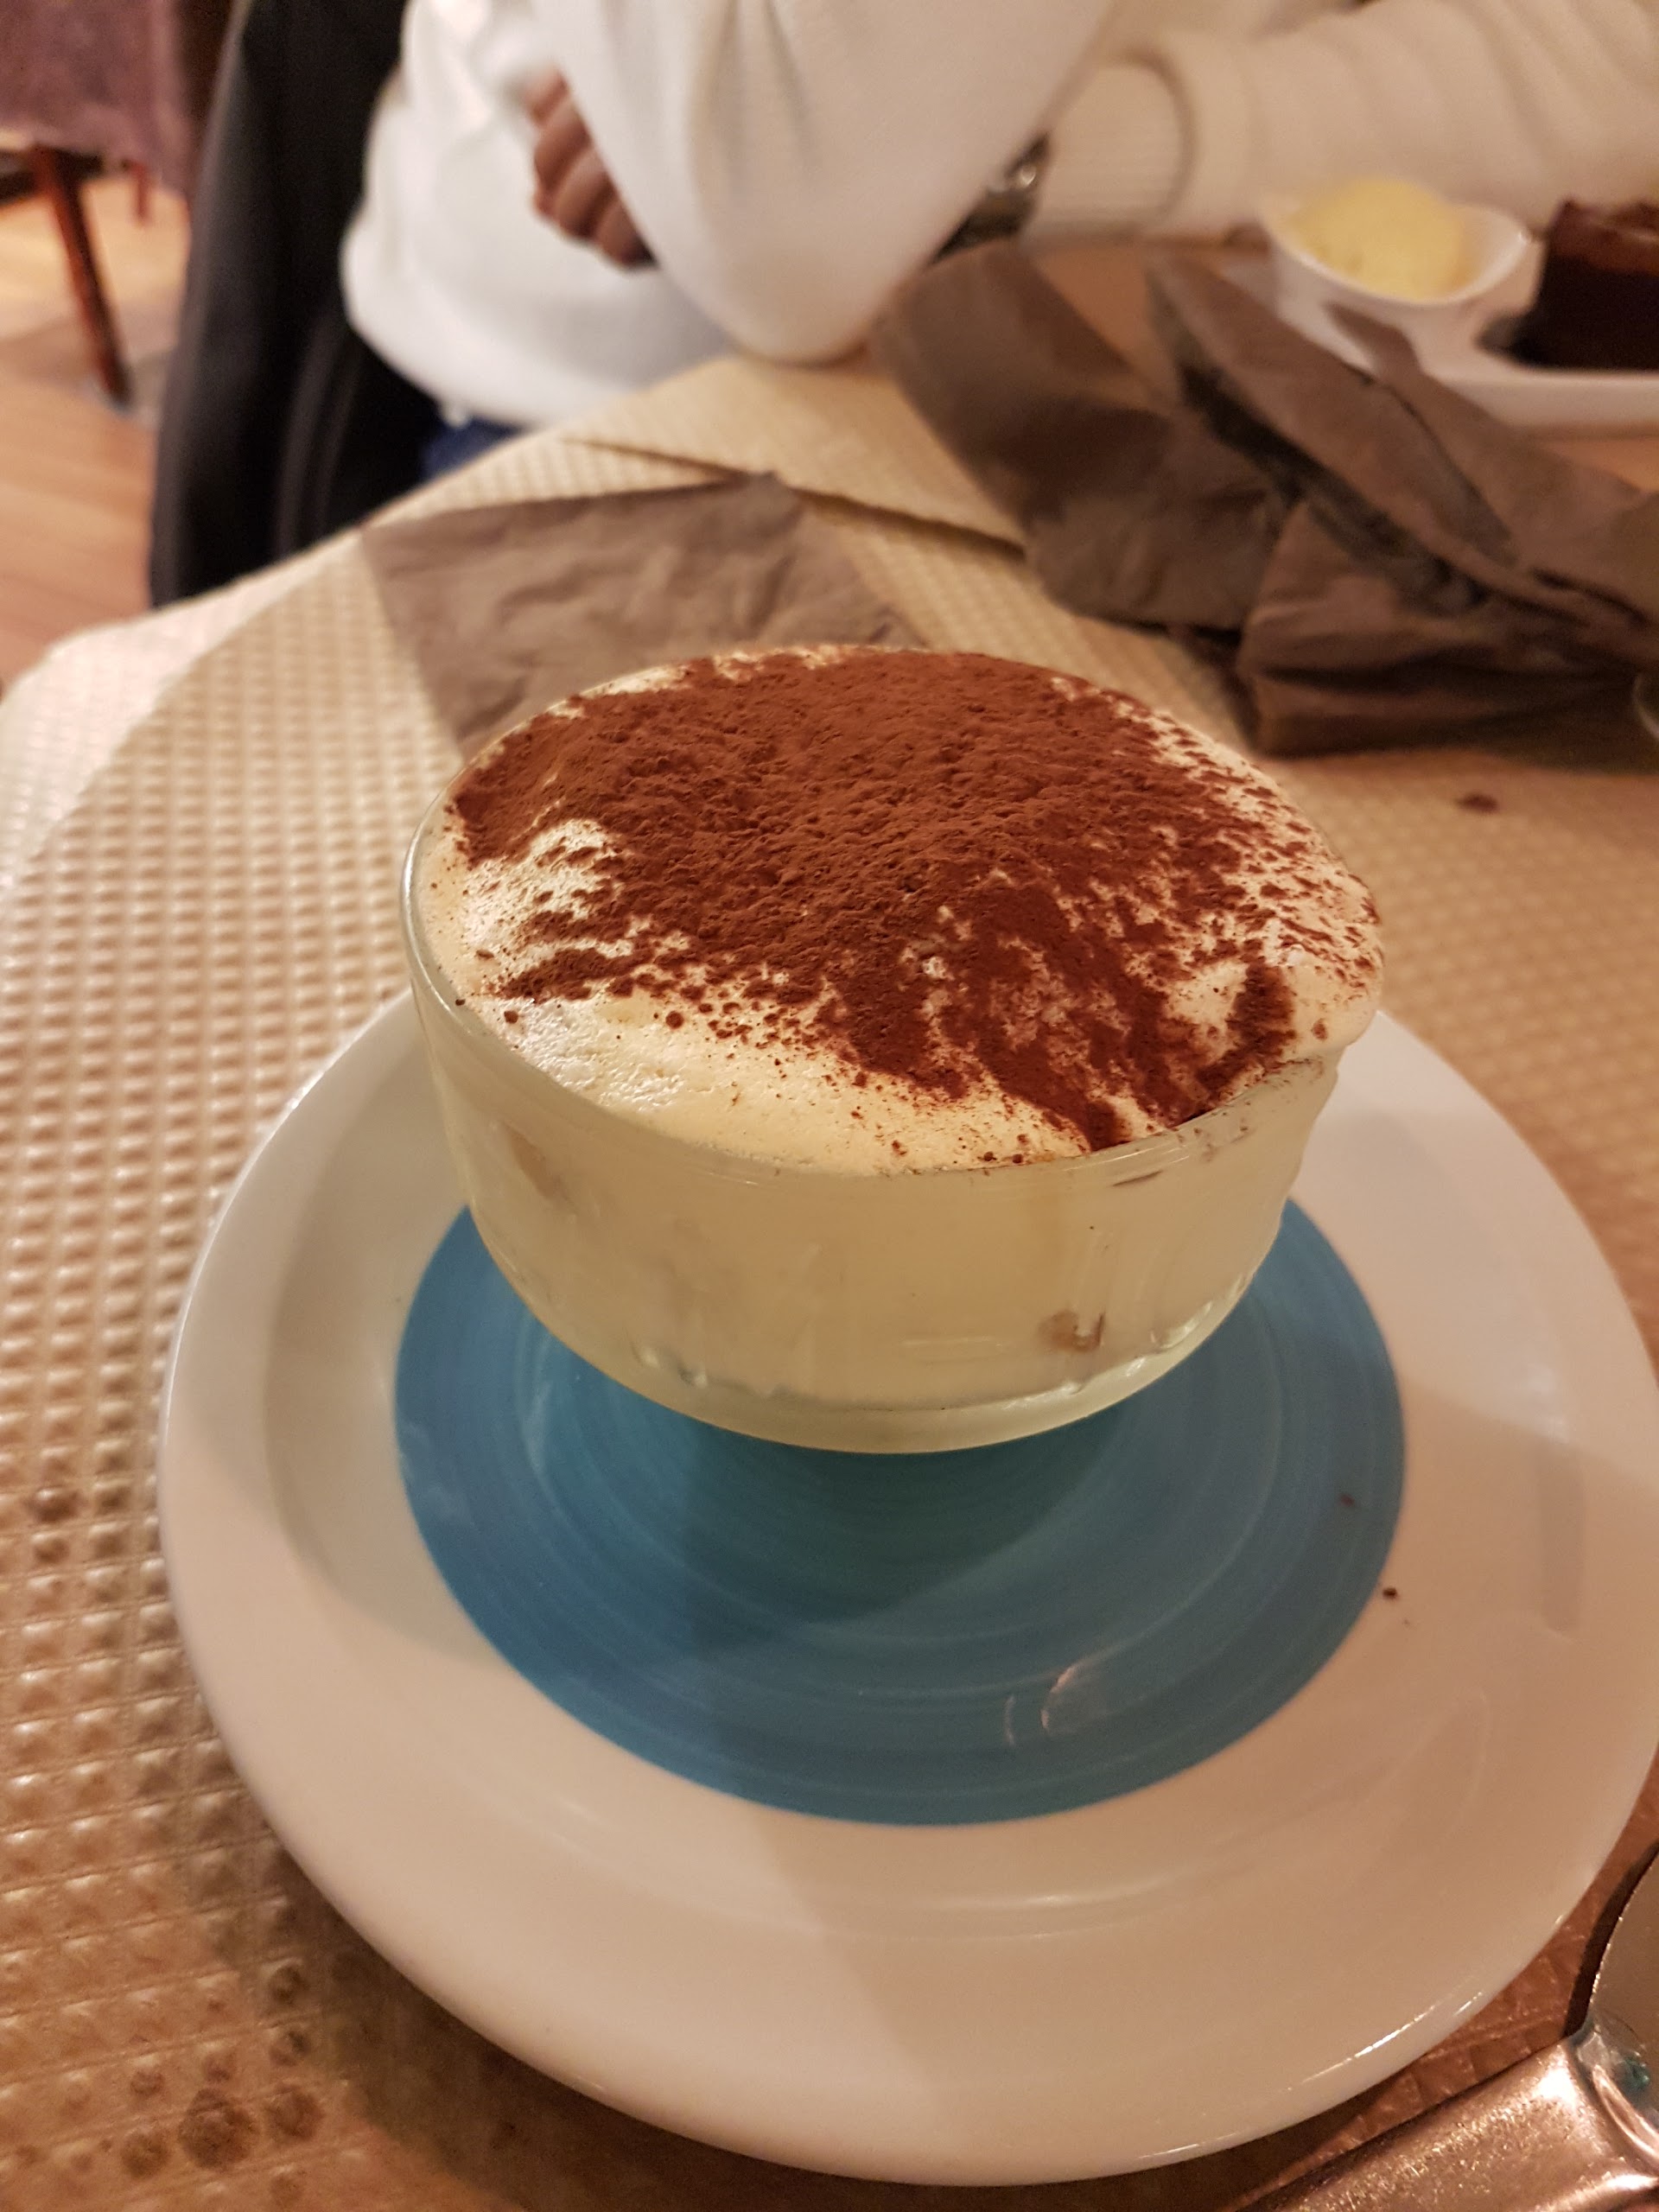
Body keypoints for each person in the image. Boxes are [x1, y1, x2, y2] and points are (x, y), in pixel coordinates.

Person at [341, 0, 1659, 471]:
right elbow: (784, 227)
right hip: (639, 427)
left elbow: (1613, 59)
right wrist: (825, 159)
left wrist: (1041, 167)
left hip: (1225, 386)